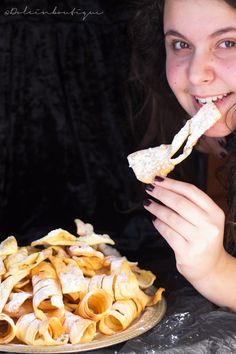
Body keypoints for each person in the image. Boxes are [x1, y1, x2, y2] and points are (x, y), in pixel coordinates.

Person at [131, 0, 236, 311]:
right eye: (180, 44)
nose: (194, 76)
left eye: (228, 42)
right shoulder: (184, 132)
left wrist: (218, 271)